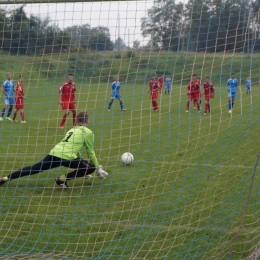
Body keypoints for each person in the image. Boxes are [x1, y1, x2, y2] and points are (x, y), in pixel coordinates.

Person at [0, 111, 108, 188]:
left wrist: (81, 168)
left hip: (54, 153)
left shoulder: (72, 129)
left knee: (34, 168)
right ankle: (61, 179)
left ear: (76, 120)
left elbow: (75, 147)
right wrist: (97, 167)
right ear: (87, 120)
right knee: (91, 167)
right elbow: (90, 151)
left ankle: (5, 178)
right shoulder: (88, 132)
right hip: (67, 158)